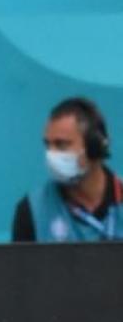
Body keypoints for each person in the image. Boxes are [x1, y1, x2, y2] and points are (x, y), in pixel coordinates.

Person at [12, 97, 122, 242]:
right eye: (48, 145)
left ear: (94, 148)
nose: (51, 155)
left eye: (61, 145)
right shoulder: (32, 210)